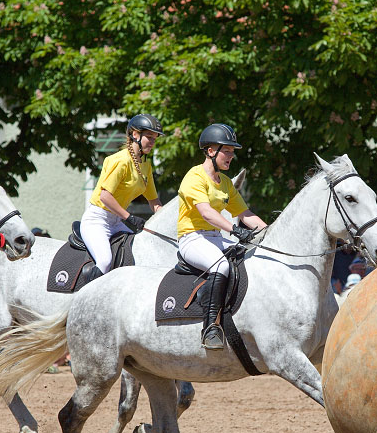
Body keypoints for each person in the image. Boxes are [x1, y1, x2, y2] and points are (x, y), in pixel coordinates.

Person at [176, 123, 267, 349]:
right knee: (221, 267)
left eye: (232, 152)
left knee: (252, 259)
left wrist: (270, 234)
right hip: (192, 237)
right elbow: (206, 213)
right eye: (227, 151)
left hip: (215, 236)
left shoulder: (225, 183)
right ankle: (210, 329)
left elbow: (245, 214)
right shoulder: (194, 176)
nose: (231, 156)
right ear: (210, 151)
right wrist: (233, 229)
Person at [79, 114, 164, 277]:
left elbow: (154, 201)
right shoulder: (120, 160)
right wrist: (129, 217)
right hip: (98, 220)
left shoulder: (145, 165)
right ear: (135, 135)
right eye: (149, 137)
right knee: (104, 261)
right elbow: (105, 196)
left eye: (155, 138)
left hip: (116, 222)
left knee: (138, 254)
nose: (153, 142)